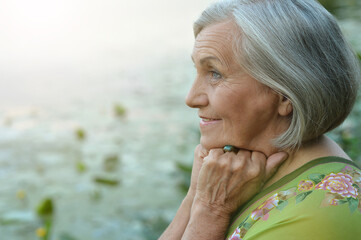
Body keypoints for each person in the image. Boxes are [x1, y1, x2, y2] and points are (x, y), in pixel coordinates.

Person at [159, 0, 361, 239]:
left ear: (285, 94)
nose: (191, 98)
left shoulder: (314, 219)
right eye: (198, 71)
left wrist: (210, 212)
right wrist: (196, 195)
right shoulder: (230, 175)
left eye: (215, 73)